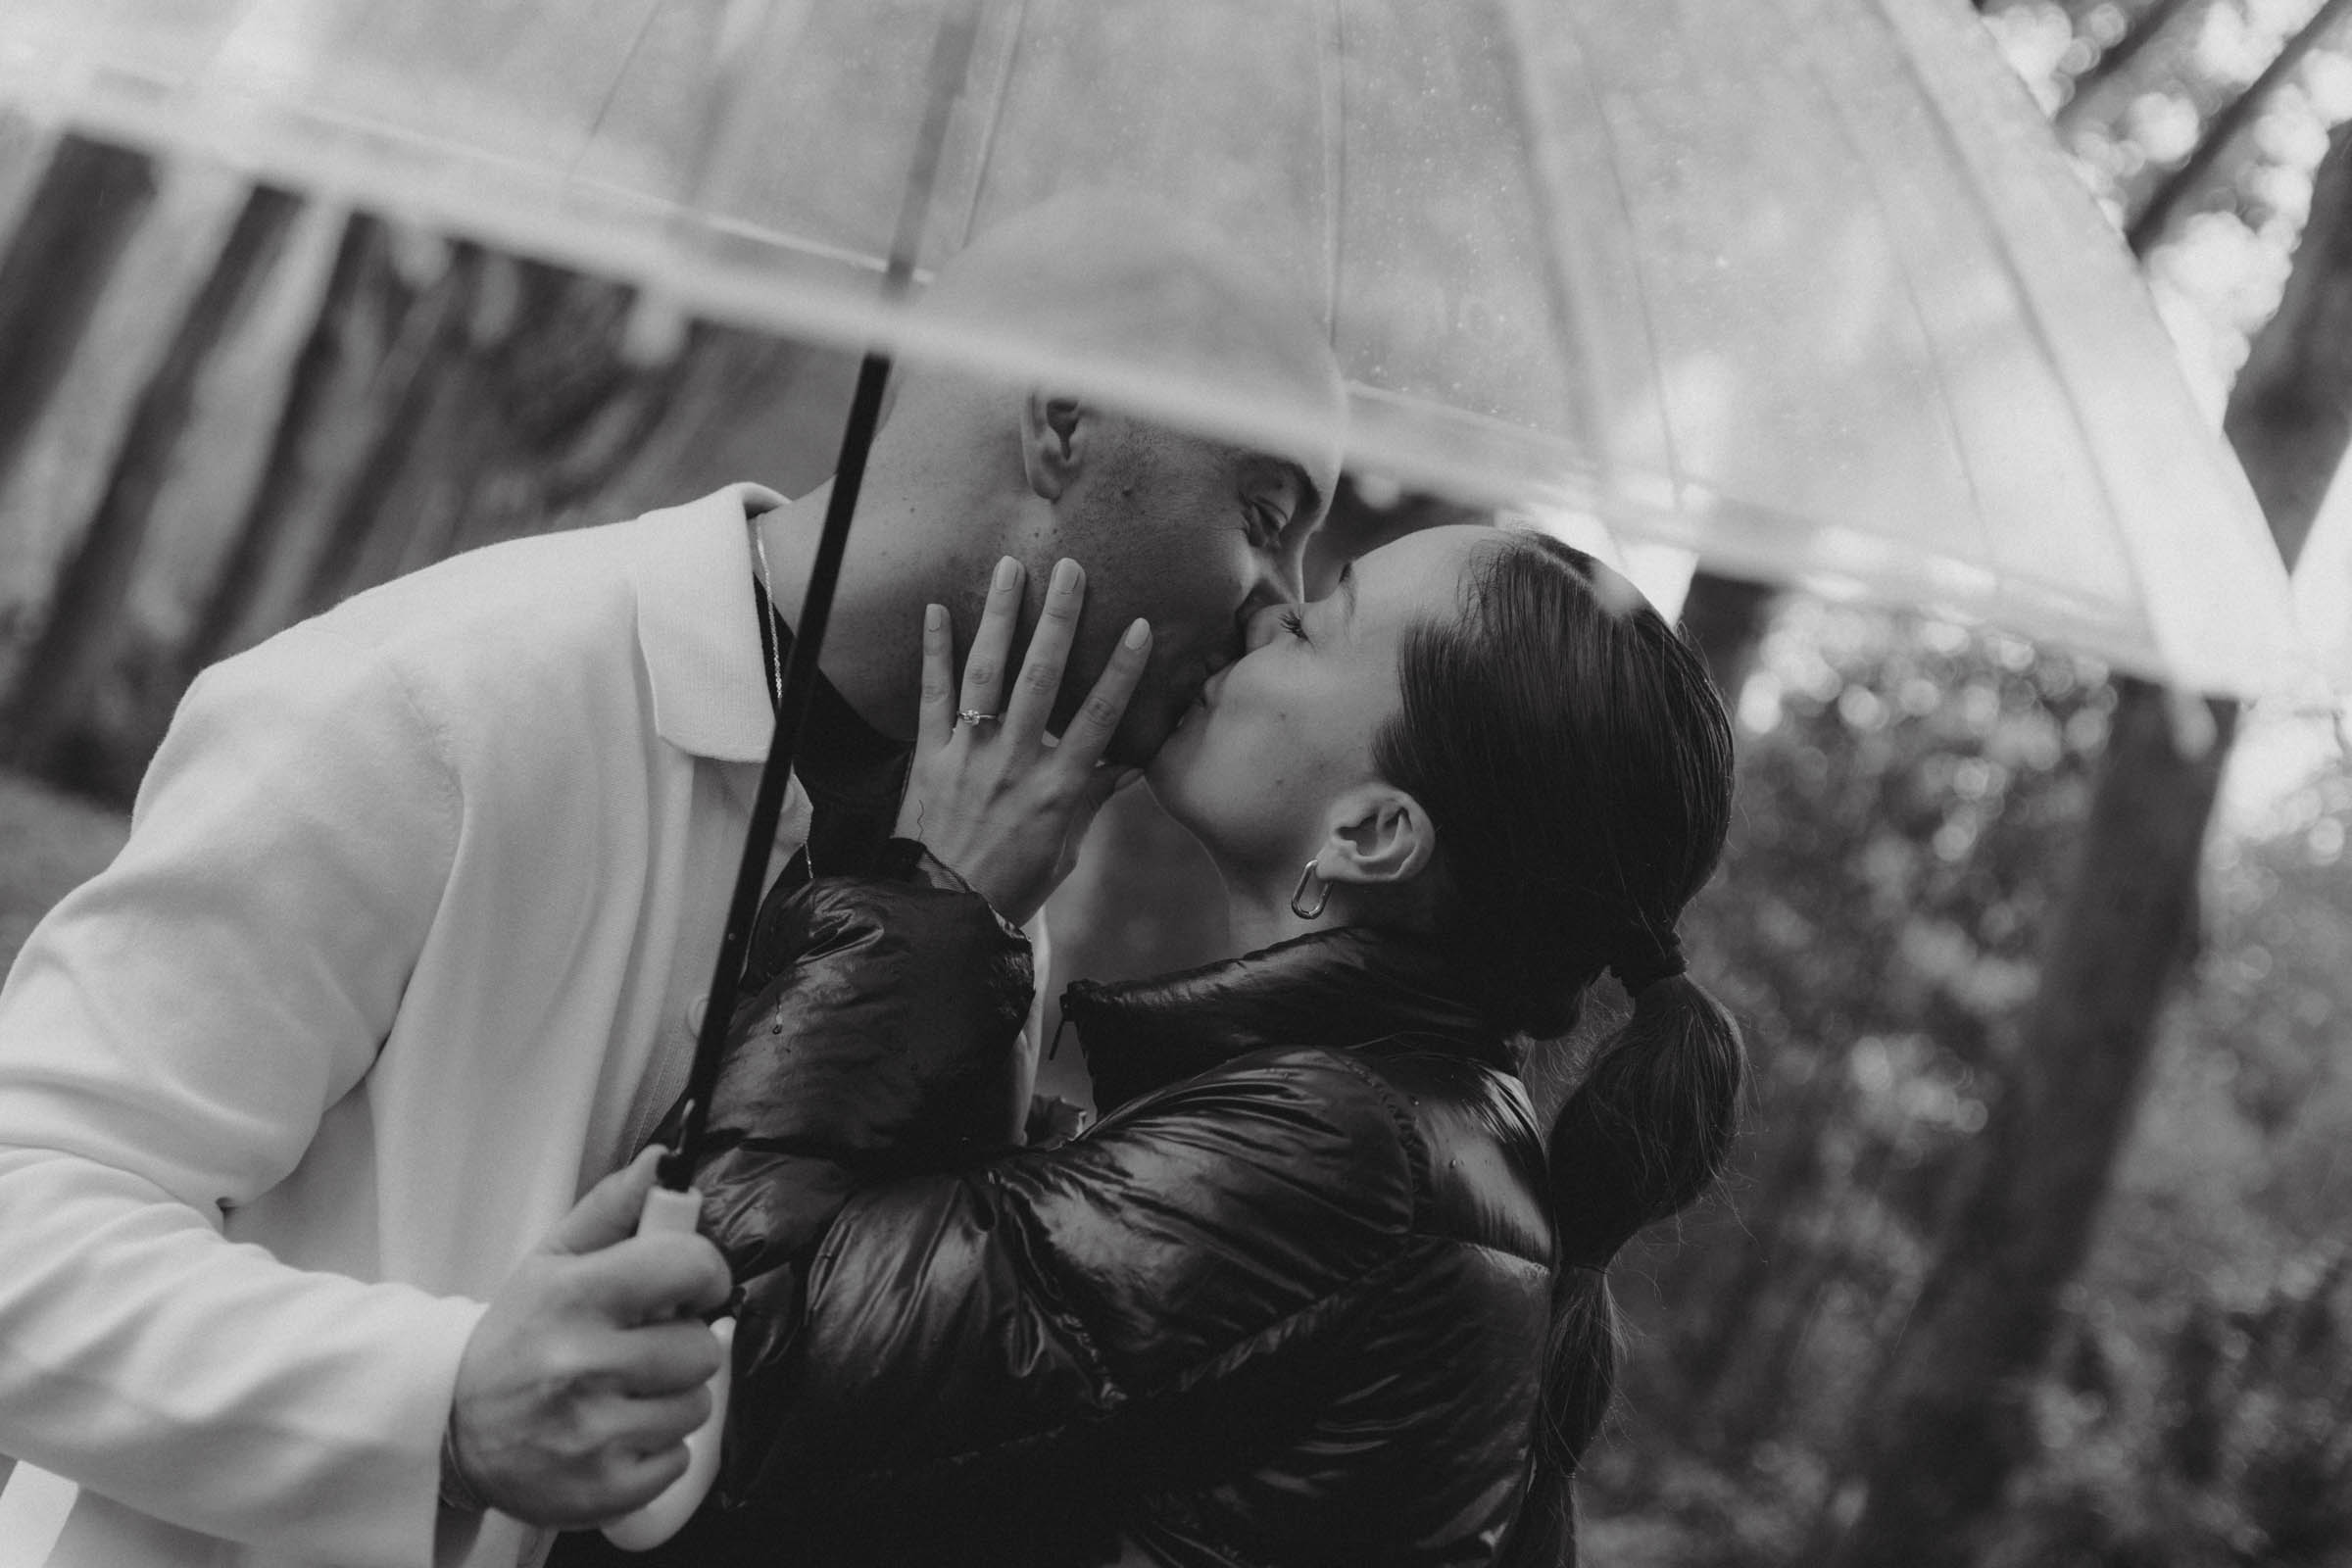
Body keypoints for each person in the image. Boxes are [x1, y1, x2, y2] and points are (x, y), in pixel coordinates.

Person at [0, 191, 1343, 1568]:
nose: (1282, 604)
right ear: (1063, 423)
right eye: (1265, 508)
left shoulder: (991, 868)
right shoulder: (441, 700)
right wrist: (438, 1406)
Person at [653, 521, 1747, 1565]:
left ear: (1370, 834)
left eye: (1317, 626)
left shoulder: (1345, 1155)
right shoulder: (1407, 1132)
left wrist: (941, 898)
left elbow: (720, 1360)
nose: (1268, 609)